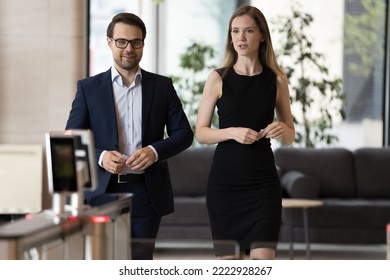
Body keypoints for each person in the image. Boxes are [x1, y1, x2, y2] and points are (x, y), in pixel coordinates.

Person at [65, 12, 193, 259]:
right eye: (121, 41)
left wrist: (154, 151)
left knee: (140, 263)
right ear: (109, 42)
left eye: (136, 42)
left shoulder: (162, 86)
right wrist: (101, 156)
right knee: (102, 261)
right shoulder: (88, 88)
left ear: (143, 44)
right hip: (102, 192)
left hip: (146, 192)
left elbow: (184, 134)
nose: (129, 49)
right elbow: (72, 139)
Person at [195, 5, 295, 260]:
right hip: (225, 184)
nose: (240, 37)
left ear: (262, 35)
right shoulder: (217, 78)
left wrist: (283, 128)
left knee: (262, 263)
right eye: (235, 31)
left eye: (248, 31)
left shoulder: (277, 81)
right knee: (229, 266)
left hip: (263, 184)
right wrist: (232, 132)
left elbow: (290, 135)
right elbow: (201, 133)